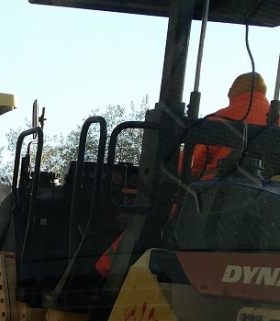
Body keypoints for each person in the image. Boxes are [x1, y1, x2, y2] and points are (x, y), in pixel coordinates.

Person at [95, 72, 272, 278]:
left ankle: (106, 275)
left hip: (210, 204)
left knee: (149, 218)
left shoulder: (223, 119)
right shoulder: (275, 119)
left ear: (234, 92)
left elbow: (183, 167)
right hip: (260, 220)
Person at [191, 72, 271, 180]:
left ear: (234, 91)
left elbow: (191, 162)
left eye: (230, 89)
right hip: (267, 190)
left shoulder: (219, 118)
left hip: (218, 190)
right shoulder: (276, 119)